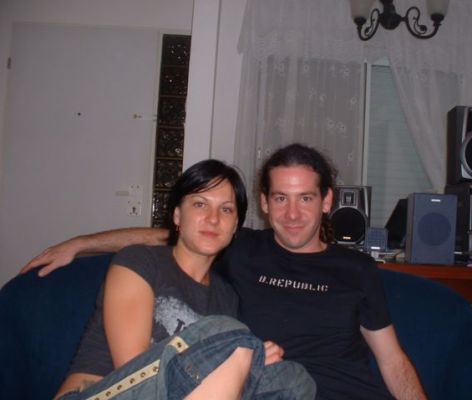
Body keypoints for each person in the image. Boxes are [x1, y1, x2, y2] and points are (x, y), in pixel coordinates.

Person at [23, 144, 426, 400]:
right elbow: (170, 236)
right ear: (265, 204)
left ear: (326, 201)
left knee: (290, 377)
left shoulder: (354, 269)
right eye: (280, 198)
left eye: (305, 198)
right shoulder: (237, 252)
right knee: (233, 339)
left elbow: (393, 361)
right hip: (130, 389)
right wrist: (81, 244)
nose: (292, 213)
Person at [50, 159, 316, 400]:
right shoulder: (140, 262)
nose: (213, 219)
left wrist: (248, 364)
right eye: (200, 204)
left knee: (294, 381)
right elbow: (135, 369)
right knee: (228, 334)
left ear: (235, 226)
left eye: (226, 210)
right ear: (178, 216)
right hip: (100, 393)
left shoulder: (227, 296)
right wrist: (235, 351)